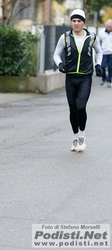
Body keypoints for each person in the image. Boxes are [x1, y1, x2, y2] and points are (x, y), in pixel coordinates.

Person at [53, 9, 103, 152]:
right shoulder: (65, 37)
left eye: (79, 21)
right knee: (73, 108)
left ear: (83, 23)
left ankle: (82, 136)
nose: (76, 23)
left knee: (81, 106)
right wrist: (60, 64)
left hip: (85, 77)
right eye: (74, 21)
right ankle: (75, 138)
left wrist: (98, 65)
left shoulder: (92, 37)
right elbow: (56, 54)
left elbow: (99, 52)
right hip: (70, 77)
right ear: (71, 22)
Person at [98, 19, 112, 87]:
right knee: (102, 66)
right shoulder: (101, 32)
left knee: (110, 68)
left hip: (111, 53)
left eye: (110, 26)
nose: (109, 27)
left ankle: (109, 81)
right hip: (103, 52)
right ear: (106, 26)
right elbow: (98, 42)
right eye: (108, 26)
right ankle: (104, 79)